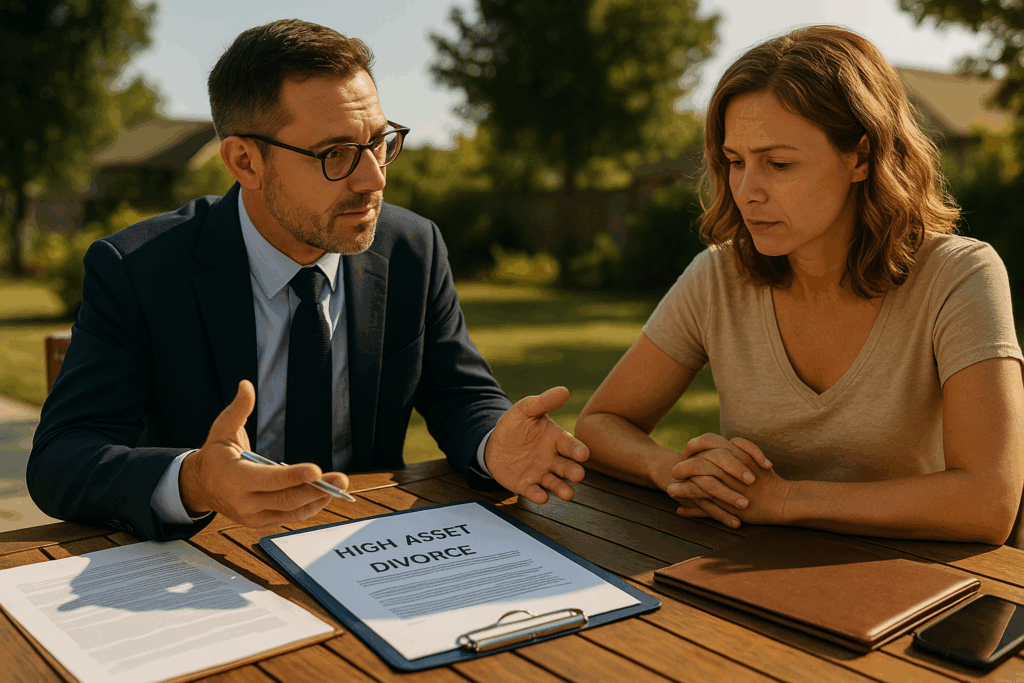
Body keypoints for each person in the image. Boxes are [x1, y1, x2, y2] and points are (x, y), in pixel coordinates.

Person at [28, 19, 589, 542]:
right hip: (208, 554)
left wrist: (496, 445)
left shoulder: (412, 248)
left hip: (371, 546)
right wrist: (196, 480)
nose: (373, 178)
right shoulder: (140, 269)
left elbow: (458, 394)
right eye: (337, 154)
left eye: (379, 142)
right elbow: (61, 459)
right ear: (245, 162)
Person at [575, 25, 1024, 546]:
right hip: (743, 572)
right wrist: (674, 471)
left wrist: (785, 500)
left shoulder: (959, 275)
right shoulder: (718, 277)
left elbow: (990, 501)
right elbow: (601, 421)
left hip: (916, 583)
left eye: (778, 164)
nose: (746, 191)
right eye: (736, 161)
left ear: (860, 156)